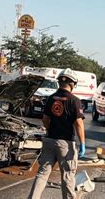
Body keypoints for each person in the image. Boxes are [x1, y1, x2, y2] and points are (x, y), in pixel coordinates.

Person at [29, 68, 86, 199]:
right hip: (65, 144)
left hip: (49, 141)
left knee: (42, 175)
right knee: (67, 176)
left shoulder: (51, 98)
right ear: (73, 84)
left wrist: (50, 131)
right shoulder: (74, 100)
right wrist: (82, 143)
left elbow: (45, 119)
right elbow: (79, 124)